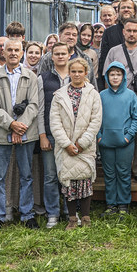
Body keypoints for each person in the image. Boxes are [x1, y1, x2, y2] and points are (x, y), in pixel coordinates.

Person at [0, 38, 41, 229]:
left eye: (17, 50)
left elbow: (34, 104)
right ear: (3, 51)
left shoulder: (31, 76)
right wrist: (11, 125)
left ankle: (27, 214)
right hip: (1, 133)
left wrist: (21, 125)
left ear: (22, 52)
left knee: (26, 176)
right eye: (9, 50)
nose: (13, 53)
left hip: (26, 133)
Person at [50, 58, 102, 230]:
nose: (77, 74)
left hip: (85, 146)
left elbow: (96, 120)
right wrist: (66, 144)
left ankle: (85, 218)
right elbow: (55, 122)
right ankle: (72, 218)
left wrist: (82, 143)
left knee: (85, 181)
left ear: (86, 73)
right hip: (66, 147)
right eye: (74, 71)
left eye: (80, 71)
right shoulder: (59, 95)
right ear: (69, 72)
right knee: (69, 183)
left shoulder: (93, 94)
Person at [34, 42, 71, 229]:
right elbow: (40, 109)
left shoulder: (76, 76)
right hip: (50, 133)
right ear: (52, 56)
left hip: (71, 135)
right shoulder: (43, 78)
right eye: (57, 53)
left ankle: (70, 211)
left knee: (70, 174)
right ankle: (53, 213)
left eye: (63, 53)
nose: (60, 56)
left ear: (69, 55)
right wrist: (42, 134)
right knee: (50, 175)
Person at [98, 61, 137, 217]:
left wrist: (128, 136)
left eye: (118, 74)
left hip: (124, 142)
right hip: (105, 142)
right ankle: (111, 205)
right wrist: (99, 137)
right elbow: (95, 117)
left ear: (123, 76)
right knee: (109, 174)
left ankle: (123, 204)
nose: (115, 77)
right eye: (112, 74)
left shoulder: (130, 96)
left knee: (123, 173)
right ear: (107, 77)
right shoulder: (101, 95)